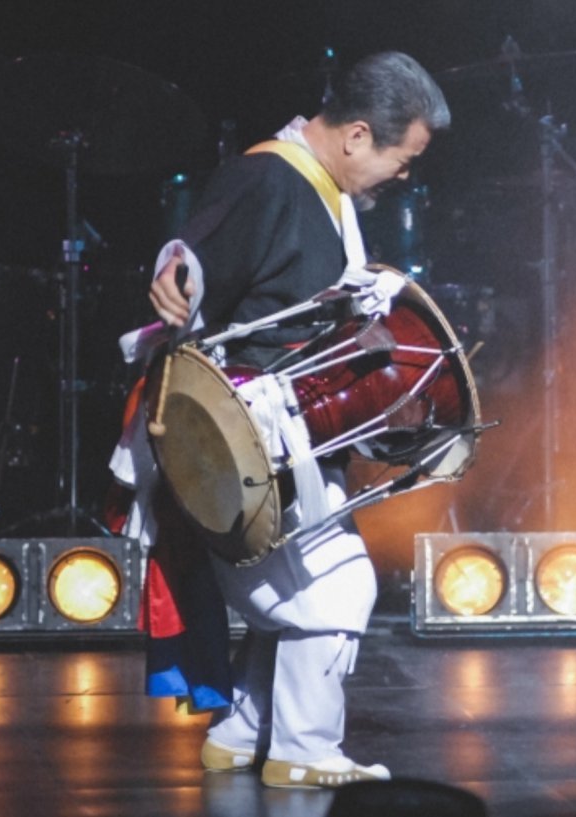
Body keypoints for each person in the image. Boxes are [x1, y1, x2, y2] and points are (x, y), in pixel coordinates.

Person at [120, 50, 450, 789]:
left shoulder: (320, 186)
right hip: (245, 439)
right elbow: (194, 257)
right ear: (358, 135)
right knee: (337, 587)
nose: (406, 176)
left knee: (297, 595)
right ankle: (304, 746)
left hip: (285, 437)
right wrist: (177, 271)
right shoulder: (269, 174)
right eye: (405, 157)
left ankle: (241, 731)